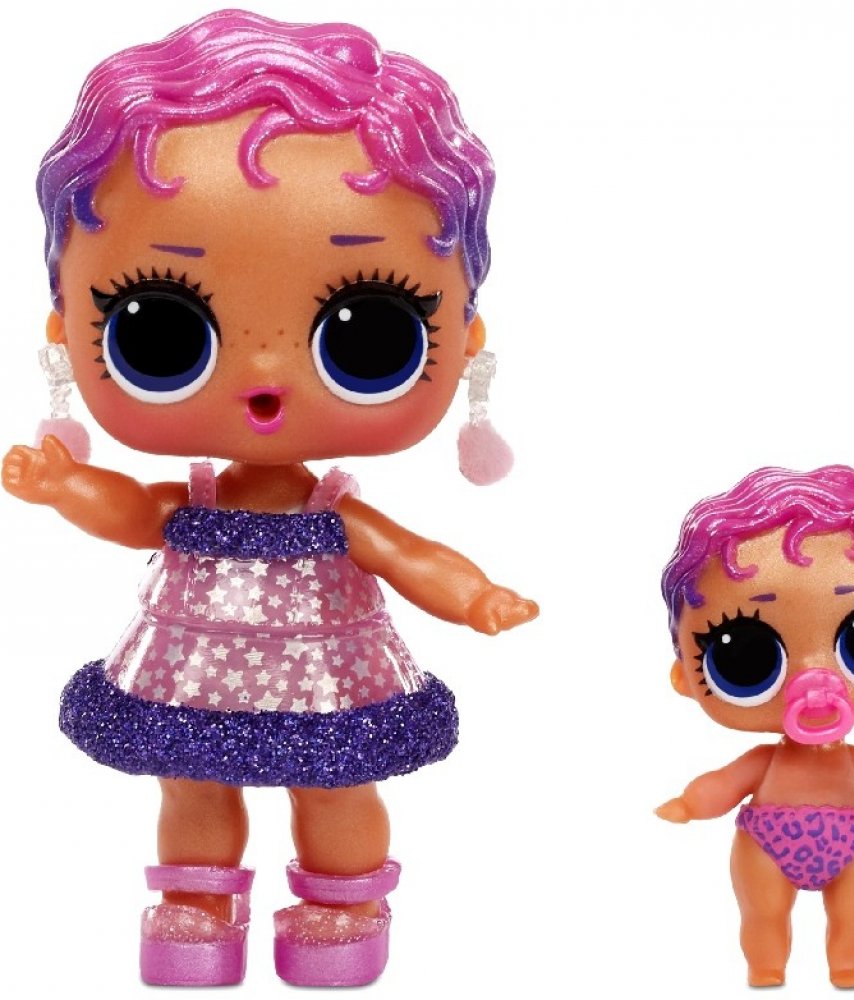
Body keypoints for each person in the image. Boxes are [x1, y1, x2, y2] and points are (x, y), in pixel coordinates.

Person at [2, 9, 536, 987]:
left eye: (368, 334)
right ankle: (196, 901)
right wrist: (68, 485)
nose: (261, 380)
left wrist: (474, 595)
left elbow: (404, 554)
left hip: (327, 679)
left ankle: (345, 903)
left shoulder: (334, 513)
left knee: (335, 789)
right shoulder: (196, 498)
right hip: (193, 671)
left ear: (466, 338)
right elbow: (137, 513)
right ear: (63, 327)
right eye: (158, 331)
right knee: (190, 783)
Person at [657, 465, 854, 988]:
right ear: (684, 675)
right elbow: (725, 784)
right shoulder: (765, 763)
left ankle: (849, 966)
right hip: (765, 841)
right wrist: (691, 803)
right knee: (761, 914)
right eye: (743, 654)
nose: (813, 680)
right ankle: (765, 966)